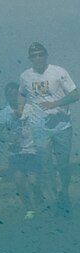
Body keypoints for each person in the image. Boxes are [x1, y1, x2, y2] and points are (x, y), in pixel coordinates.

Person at [20, 42, 75, 216]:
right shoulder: (25, 76)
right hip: (39, 127)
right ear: (30, 58)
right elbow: (22, 93)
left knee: (63, 164)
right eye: (34, 55)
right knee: (45, 164)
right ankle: (53, 198)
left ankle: (64, 191)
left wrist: (56, 104)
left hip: (62, 125)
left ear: (46, 55)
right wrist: (20, 111)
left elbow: (75, 93)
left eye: (40, 54)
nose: (38, 58)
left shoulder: (58, 72)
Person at [0, 82, 47, 219]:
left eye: (16, 94)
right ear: (6, 96)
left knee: (33, 181)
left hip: (32, 151)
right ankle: (29, 209)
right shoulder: (4, 114)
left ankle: (39, 199)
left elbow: (42, 127)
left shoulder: (30, 109)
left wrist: (41, 144)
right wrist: (8, 138)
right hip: (15, 153)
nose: (13, 97)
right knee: (19, 182)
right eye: (10, 94)